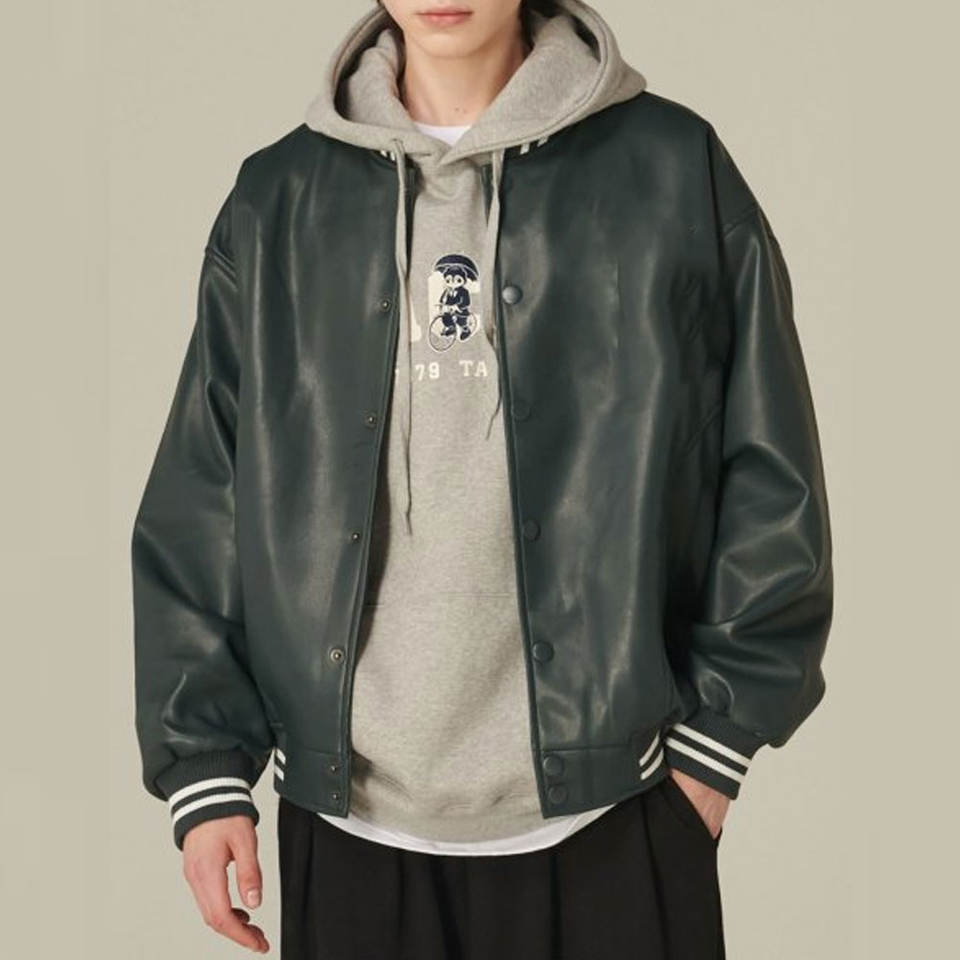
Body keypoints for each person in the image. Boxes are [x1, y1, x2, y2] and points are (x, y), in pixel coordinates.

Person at [130, 1, 834, 957]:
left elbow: (770, 468)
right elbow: (204, 493)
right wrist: (206, 767)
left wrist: (713, 754)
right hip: (349, 825)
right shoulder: (278, 201)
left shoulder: (672, 170)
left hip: (617, 811)